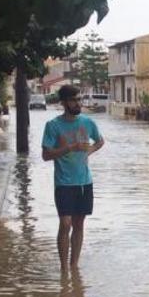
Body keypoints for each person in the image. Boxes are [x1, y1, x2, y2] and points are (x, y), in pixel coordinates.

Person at [42, 84, 104, 270]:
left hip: (84, 182)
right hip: (63, 183)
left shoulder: (88, 122)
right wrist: (70, 148)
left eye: (79, 99)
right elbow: (46, 155)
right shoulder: (53, 126)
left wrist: (88, 152)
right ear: (64, 103)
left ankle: (74, 266)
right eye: (74, 100)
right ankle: (64, 269)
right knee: (65, 222)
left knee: (78, 223)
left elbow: (100, 141)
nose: (78, 103)